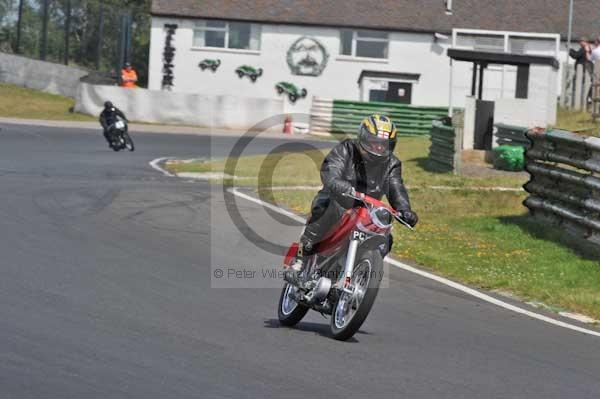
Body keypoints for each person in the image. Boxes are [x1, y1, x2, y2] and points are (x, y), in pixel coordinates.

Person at [285, 114, 419, 283]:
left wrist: (405, 210)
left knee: (386, 235)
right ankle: (300, 259)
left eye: (384, 145)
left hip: (367, 210)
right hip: (339, 199)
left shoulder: (392, 164)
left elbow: (396, 187)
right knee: (326, 208)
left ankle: (362, 273)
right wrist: (339, 185)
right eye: (375, 142)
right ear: (364, 138)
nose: (379, 148)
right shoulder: (346, 149)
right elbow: (331, 169)